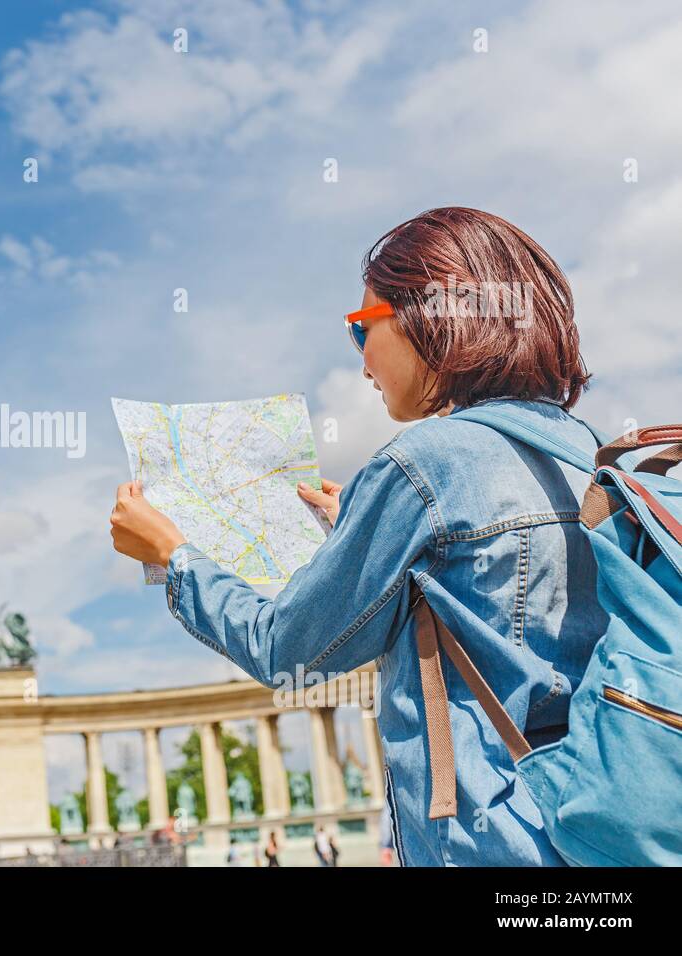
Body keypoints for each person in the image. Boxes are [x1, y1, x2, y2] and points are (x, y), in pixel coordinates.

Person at [110, 208, 601, 866]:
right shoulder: (588, 452)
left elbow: (286, 647)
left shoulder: (425, 462)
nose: (361, 357)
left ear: (432, 319)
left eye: (361, 328)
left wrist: (172, 557)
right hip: (597, 833)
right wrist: (374, 530)